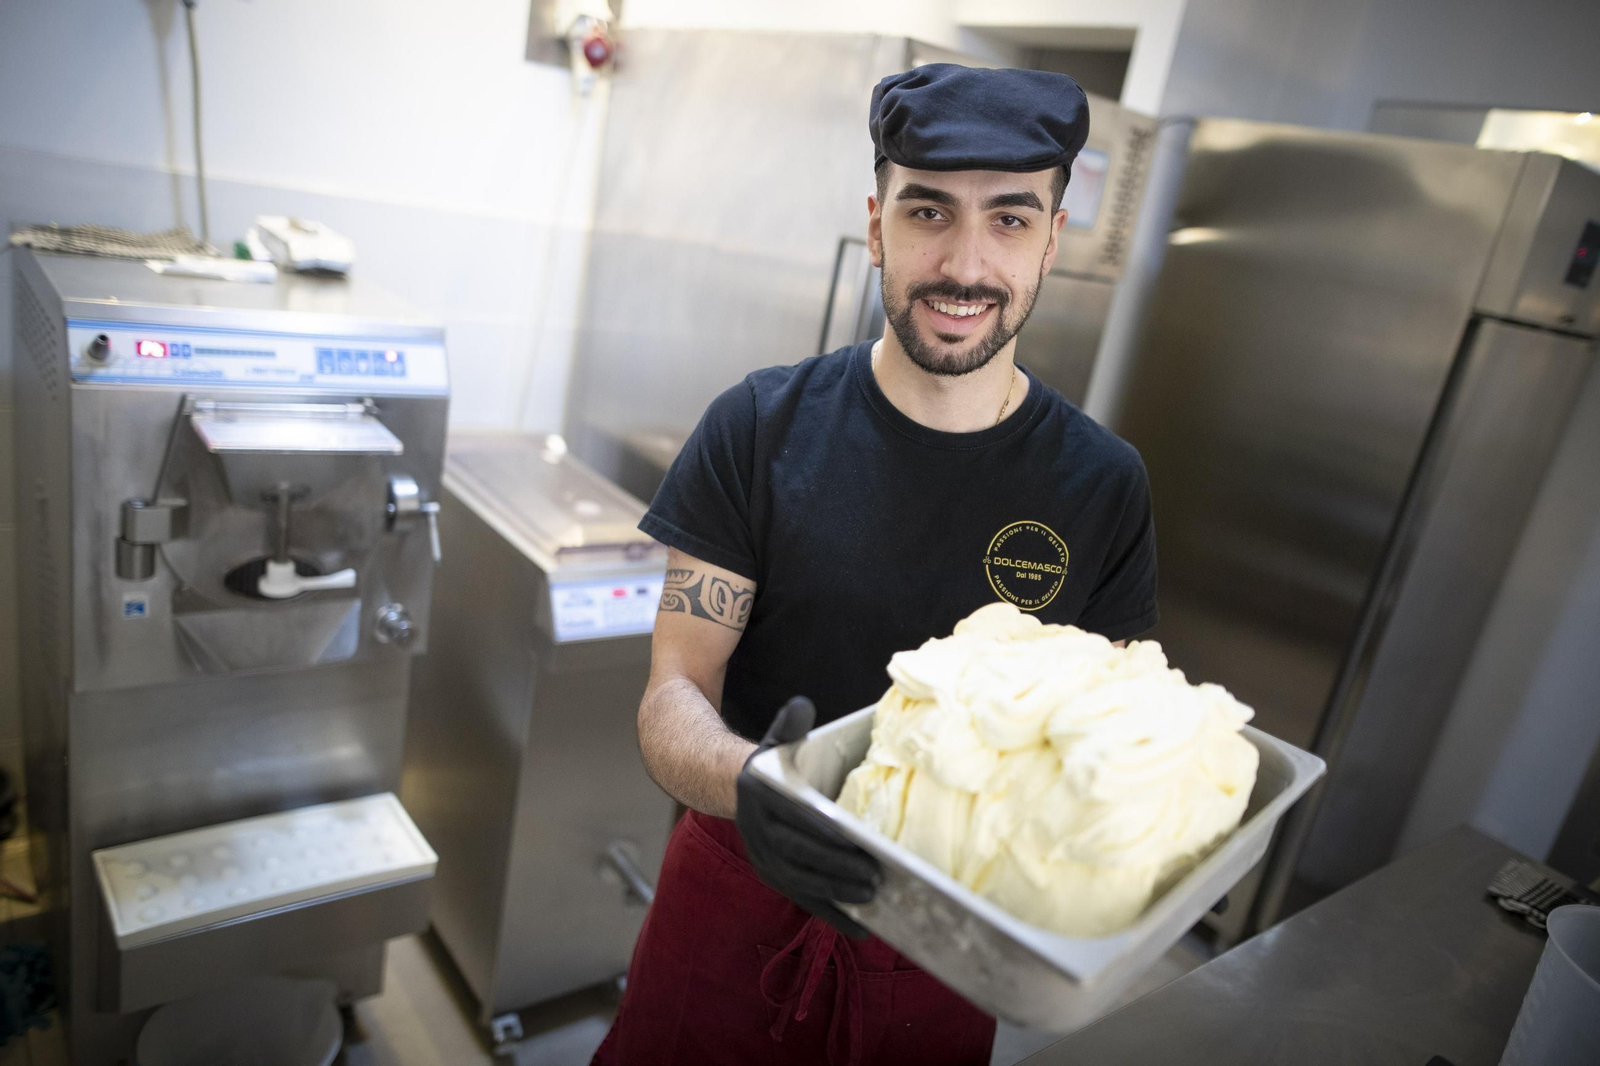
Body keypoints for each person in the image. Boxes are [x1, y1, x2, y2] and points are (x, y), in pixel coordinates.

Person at [590, 64, 1158, 1066]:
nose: (966, 264)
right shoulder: (759, 429)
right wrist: (753, 779)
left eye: (1011, 219)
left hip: (940, 948)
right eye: (929, 210)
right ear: (876, 223)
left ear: (1053, 239)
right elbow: (673, 692)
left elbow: (1097, 744)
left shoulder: (1101, 486)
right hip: (734, 892)